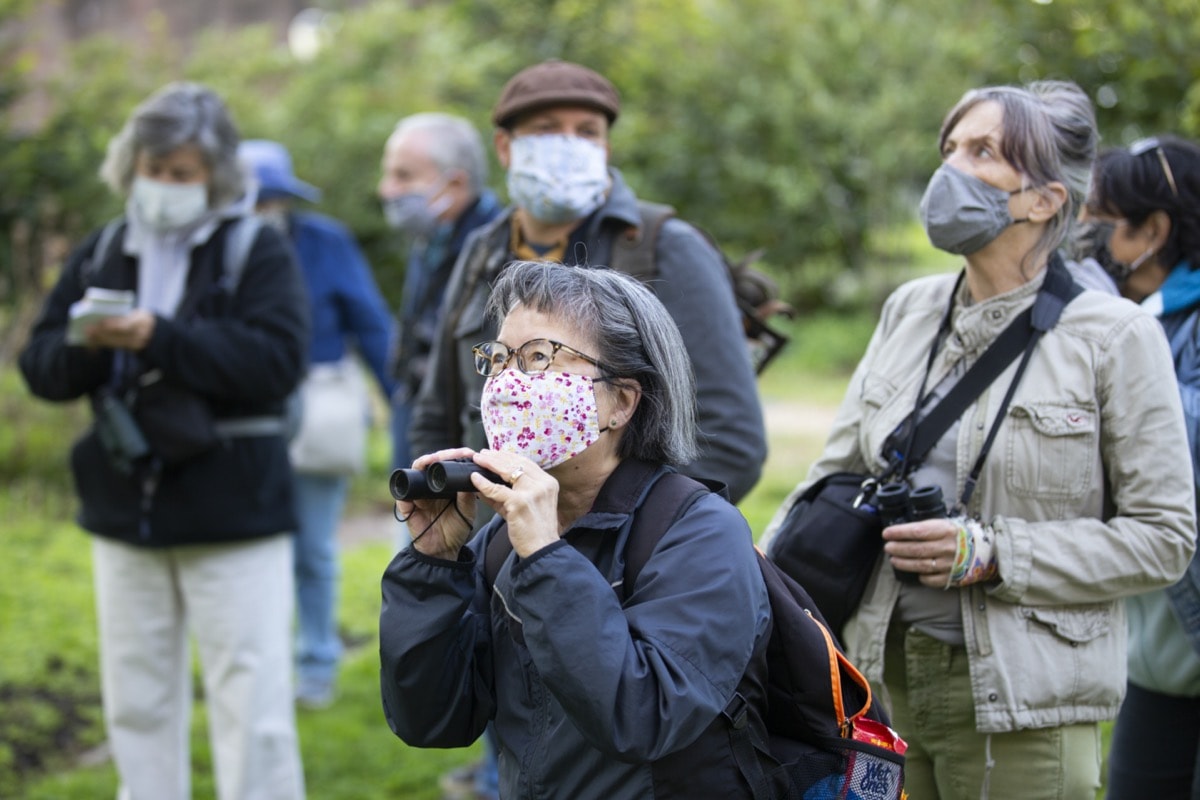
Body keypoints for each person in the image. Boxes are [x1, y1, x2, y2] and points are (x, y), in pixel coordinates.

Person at [762, 81, 1197, 799]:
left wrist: (994, 553)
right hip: (882, 686)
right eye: (950, 148)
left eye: (983, 151)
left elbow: (1165, 537)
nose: (949, 170)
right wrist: (765, 580)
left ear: (1044, 199)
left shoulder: (1116, 337)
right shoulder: (910, 309)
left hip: (1023, 707)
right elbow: (832, 470)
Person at [379, 261, 772, 799]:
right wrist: (434, 564)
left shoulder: (700, 532)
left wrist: (545, 557)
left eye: (538, 357)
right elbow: (432, 720)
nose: (506, 383)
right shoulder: (501, 539)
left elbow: (642, 718)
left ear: (622, 401)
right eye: (498, 359)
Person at [18, 83, 307, 799]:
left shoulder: (255, 252)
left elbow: (276, 361)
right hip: (126, 510)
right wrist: (91, 344)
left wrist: (159, 337)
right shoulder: (104, 249)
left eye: (183, 173)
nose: (165, 185)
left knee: (253, 702)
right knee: (137, 701)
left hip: (233, 512)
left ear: (215, 176)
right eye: (155, 167)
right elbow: (40, 365)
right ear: (130, 164)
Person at [409, 59, 766, 505]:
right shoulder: (482, 249)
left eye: (587, 132)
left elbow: (732, 440)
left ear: (606, 148)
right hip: (491, 549)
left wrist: (616, 536)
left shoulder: (665, 247)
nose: (567, 145)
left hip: (614, 560)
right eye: (546, 128)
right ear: (505, 147)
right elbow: (436, 413)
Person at [240, 138, 397, 709]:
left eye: (270, 200)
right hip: (237, 417)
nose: (261, 211)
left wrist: (399, 399)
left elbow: (371, 324)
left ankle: (315, 664)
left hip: (318, 407)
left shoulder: (326, 242)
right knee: (244, 547)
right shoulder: (208, 250)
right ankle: (255, 664)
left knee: (311, 546)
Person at [1083, 135, 1200, 798]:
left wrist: (1123, 356)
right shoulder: (1143, 318)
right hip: (1161, 651)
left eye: (1102, 226)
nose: (1090, 242)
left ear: (1153, 229)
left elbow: (1171, 448)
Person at [378, 113, 503, 478]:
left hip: (465, 435)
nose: (387, 189)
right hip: (419, 412)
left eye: (404, 175)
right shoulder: (430, 239)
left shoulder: (496, 249)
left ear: (456, 183)